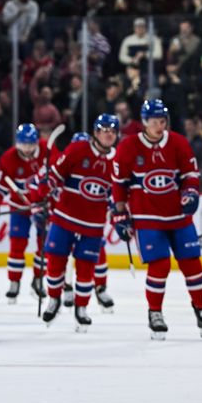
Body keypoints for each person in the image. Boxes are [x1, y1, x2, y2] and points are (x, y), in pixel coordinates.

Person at [111, 99, 202, 340]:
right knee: (160, 266)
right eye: (154, 121)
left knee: (192, 264)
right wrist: (119, 213)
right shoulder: (128, 146)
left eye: (162, 121)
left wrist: (191, 192)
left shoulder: (178, 142)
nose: (159, 125)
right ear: (144, 122)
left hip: (178, 217)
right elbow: (119, 184)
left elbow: (190, 176)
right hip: (147, 217)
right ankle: (155, 314)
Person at [32, 116, 118, 331]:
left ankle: (81, 308)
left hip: (93, 226)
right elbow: (56, 175)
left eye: (113, 131)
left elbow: (118, 194)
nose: (109, 134)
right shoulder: (78, 149)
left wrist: (119, 214)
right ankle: (54, 300)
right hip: (64, 220)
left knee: (86, 269)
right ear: (96, 133)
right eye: (104, 130)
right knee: (54, 263)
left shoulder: (118, 161)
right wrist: (46, 187)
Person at [0, 123, 47, 303]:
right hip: (19, 208)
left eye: (30, 145)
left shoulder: (47, 152)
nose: (26, 149)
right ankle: (14, 282)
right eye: (23, 145)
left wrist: (50, 202)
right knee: (17, 244)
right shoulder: (8, 158)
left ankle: (39, 280)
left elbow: (58, 177)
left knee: (45, 245)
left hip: (41, 207)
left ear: (36, 143)